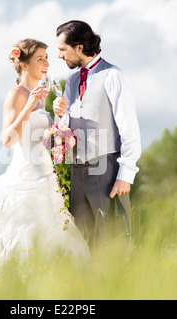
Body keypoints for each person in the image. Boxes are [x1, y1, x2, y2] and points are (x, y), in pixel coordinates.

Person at [0, 39, 90, 271]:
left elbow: (42, 138)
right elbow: (7, 140)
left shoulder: (42, 96)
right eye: (40, 59)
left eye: (46, 58)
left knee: (55, 238)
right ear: (23, 65)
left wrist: (59, 128)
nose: (47, 63)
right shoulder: (17, 94)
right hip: (24, 181)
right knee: (21, 238)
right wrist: (29, 105)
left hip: (47, 180)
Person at [53, 20, 142, 246]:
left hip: (106, 168)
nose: (60, 56)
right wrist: (61, 114)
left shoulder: (113, 76)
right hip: (77, 170)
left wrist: (126, 174)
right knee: (80, 241)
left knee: (111, 239)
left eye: (63, 49)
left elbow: (128, 127)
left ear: (80, 47)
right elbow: (69, 126)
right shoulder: (72, 81)